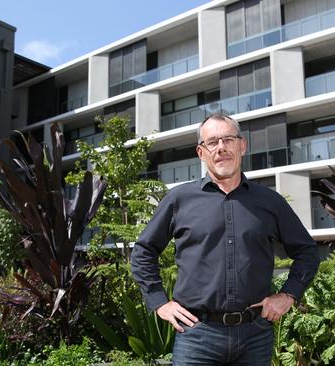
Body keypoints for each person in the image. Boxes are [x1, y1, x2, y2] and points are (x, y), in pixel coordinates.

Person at [131, 113, 320, 365]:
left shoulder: (270, 202)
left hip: (256, 335)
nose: (221, 148)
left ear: (242, 146)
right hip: (197, 335)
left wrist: (288, 295)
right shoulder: (179, 200)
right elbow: (143, 251)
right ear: (201, 152)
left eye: (228, 140)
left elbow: (307, 252)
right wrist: (159, 302)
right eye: (212, 142)